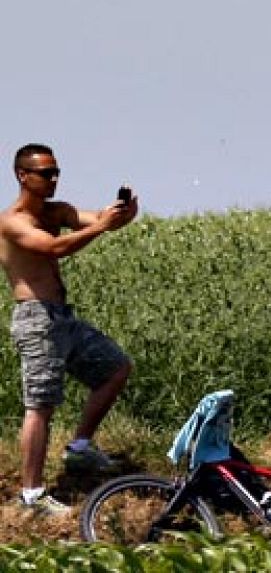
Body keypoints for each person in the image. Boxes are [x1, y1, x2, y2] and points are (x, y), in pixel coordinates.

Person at [0, 144, 137, 515]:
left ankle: (79, 449)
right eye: (46, 173)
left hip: (63, 318)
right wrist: (102, 227)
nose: (54, 179)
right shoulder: (13, 221)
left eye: (56, 171)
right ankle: (32, 494)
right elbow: (54, 248)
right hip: (36, 320)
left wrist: (123, 213)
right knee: (40, 405)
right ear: (22, 176)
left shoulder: (56, 210)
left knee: (115, 368)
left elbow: (94, 218)